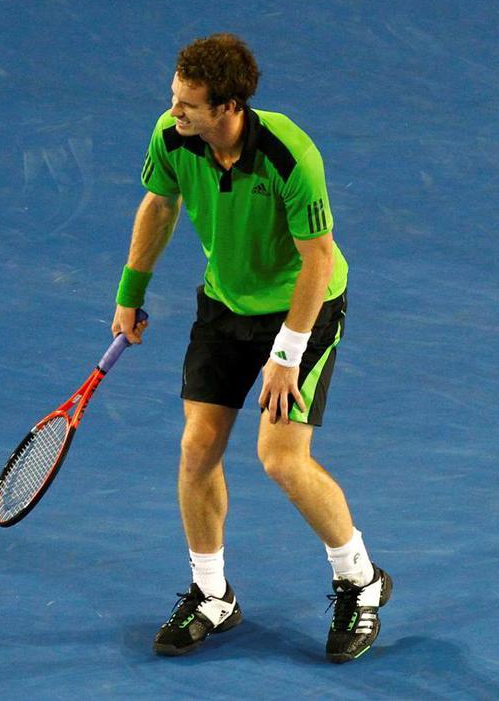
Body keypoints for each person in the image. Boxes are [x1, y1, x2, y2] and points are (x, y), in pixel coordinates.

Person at [111, 33, 391, 663]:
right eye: (174, 97)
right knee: (197, 448)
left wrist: (286, 354)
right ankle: (212, 595)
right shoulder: (172, 137)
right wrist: (131, 291)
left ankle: (360, 579)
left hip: (301, 310)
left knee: (281, 459)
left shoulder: (291, 155)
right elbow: (159, 205)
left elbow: (318, 260)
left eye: (188, 104)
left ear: (229, 107)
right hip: (225, 305)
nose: (174, 112)